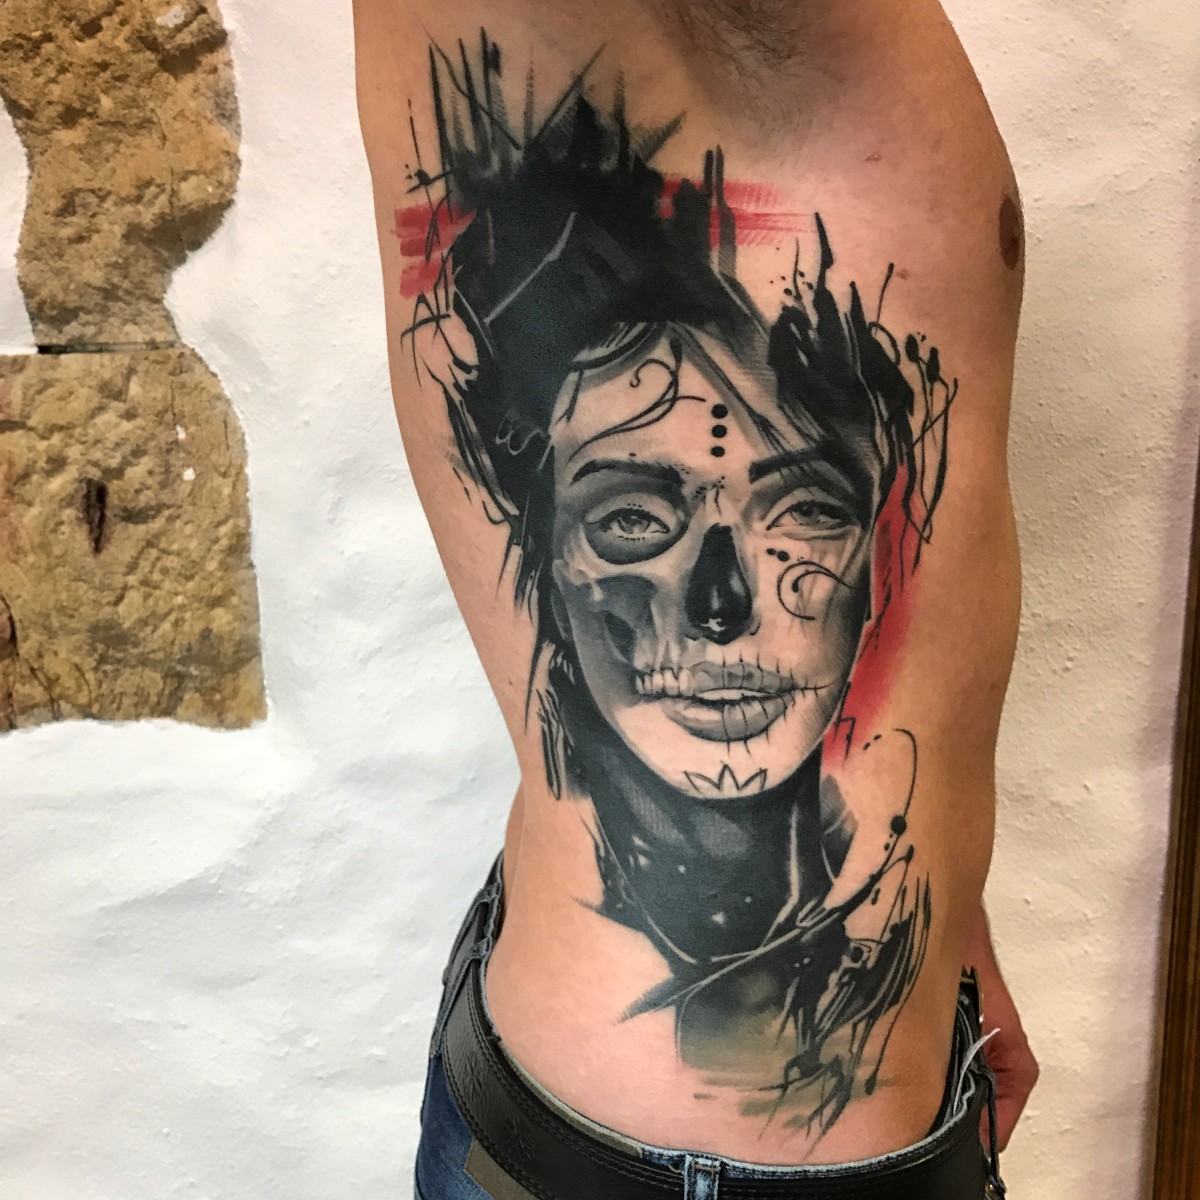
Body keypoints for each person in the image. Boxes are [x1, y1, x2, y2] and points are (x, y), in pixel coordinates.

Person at [353, 3, 1038, 1195]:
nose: (721, 607)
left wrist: (935, 910)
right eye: (633, 518)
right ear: (546, 542)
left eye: (804, 510)